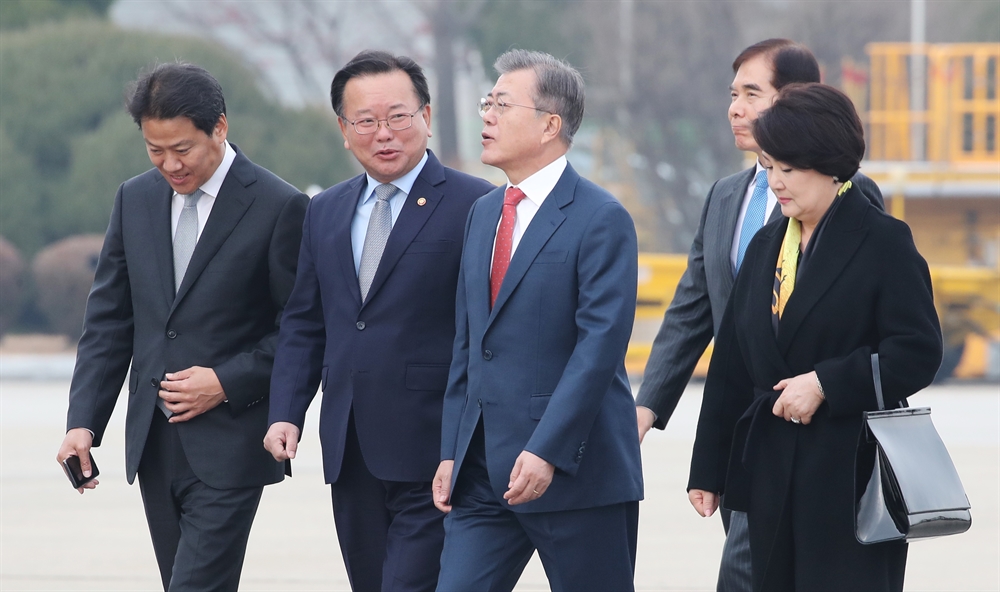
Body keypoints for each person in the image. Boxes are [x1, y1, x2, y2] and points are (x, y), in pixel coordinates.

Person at [634, 38, 885, 592]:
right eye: (732, 94)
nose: (736, 108)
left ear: (796, 102)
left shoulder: (853, 196)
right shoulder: (726, 196)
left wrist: (825, 385)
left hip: (820, 437)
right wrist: (649, 406)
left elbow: (878, 325)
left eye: (752, 93)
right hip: (744, 437)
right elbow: (694, 312)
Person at [55, 62, 308, 591]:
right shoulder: (135, 198)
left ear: (219, 126)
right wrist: (84, 421)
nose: (170, 164)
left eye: (183, 149)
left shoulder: (280, 206)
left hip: (232, 444)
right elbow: (109, 322)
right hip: (153, 443)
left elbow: (300, 329)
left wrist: (225, 381)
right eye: (154, 150)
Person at [687, 82, 943, 592]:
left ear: (830, 165)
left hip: (852, 475)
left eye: (789, 168)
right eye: (769, 166)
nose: (775, 182)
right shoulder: (764, 247)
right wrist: (708, 467)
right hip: (772, 471)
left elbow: (917, 351)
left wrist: (827, 383)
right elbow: (732, 362)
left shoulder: (883, 241)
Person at [263, 50, 493, 592]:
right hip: (350, 445)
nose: (383, 133)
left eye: (398, 117)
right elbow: (305, 321)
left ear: (427, 118)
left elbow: (484, 329)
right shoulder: (325, 210)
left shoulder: (476, 204)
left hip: (433, 445)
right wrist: (286, 411)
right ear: (344, 129)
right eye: (366, 121)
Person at [432, 49, 643, 592]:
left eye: (502, 103)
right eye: (487, 102)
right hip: (482, 474)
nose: (487, 116)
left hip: (577, 475)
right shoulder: (484, 212)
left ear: (551, 124)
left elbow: (598, 351)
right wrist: (452, 450)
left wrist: (547, 449)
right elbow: (468, 343)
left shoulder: (601, 218)